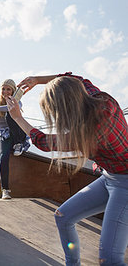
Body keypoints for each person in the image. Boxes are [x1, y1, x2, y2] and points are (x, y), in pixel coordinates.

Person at [7, 72, 127, 265]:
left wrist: (18, 118)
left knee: (110, 259)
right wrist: (39, 80)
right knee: (63, 217)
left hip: (126, 184)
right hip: (110, 177)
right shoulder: (98, 98)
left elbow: (45, 142)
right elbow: (76, 79)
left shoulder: (89, 131)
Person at [0, 79, 30, 199]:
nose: (5, 92)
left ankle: (19, 144)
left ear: (13, 90)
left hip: (17, 133)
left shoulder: (17, 102)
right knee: (4, 155)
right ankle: (5, 190)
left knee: (11, 113)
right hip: (2, 134)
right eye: (3, 89)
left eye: (8, 89)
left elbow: (10, 108)